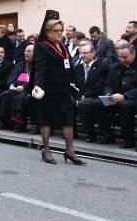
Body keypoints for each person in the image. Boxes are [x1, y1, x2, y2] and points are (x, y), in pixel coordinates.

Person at [32, 12, 84, 165]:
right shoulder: (42, 46)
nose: (60, 33)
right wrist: (37, 86)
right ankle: (46, 150)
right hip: (48, 89)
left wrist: (74, 85)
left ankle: (70, 150)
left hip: (64, 89)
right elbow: (40, 68)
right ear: (48, 32)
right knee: (46, 120)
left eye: (61, 30)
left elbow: (68, 67)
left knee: (68, 120)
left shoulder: (63, 46)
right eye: (56, 31)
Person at [75, 43, 110, 142]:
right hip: (83, 96)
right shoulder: (78, 68)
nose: (82, 56)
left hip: (96, 95)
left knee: (86, 103)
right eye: (81, 53)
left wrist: (84, 96)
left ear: (93, 53)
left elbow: (99, 86)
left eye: (85, 53)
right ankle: (85, 132)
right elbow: (75, 84)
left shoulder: (101, 66)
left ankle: (99, 133)